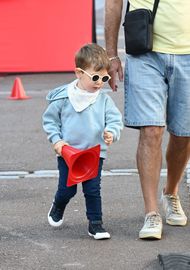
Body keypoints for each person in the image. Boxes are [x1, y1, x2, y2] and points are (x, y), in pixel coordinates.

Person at [105, 0, 190, 240]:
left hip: (188, 52)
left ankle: (170, 193)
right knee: (151, 130)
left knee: (183, 133)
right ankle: (151, 212)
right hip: (145, 51)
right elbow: (113, 3)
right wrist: (111, 55)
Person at [42, 43, 123, 240]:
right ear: (79, 73)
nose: (99, 83)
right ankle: (59, 204)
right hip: (69, 153)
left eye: (104, 78)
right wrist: (57, 140)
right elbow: (50, 120)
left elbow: (115, 119)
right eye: (95, 77)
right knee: (67, 190)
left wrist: (111, 132)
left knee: (93, 190)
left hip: (94, 153)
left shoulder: (103, 100)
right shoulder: (64, 97)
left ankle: (96, 224)